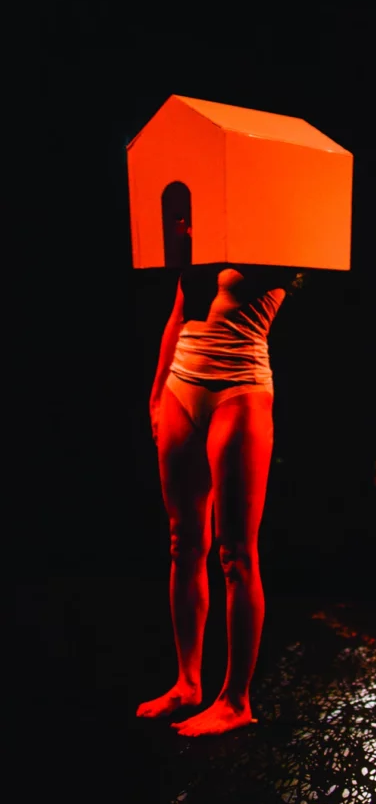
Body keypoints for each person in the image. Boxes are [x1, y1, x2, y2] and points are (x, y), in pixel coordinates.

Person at [136, 263, 303, 736]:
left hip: (240, 390)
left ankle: (235, 700)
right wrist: (155, 395)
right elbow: (178, 312)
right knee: (183, 542)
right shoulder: (205, 234)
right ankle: (187, 682)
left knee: (235, 554)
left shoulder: (276, 241)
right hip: (179, 385)